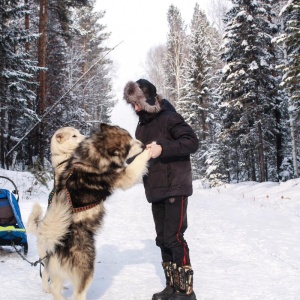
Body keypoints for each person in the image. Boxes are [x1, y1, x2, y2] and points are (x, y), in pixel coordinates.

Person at [123, 79, 199, 300]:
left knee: (174, 238)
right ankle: (171, 287)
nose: (135, 108)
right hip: (155, 189)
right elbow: (141, 156)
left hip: (175, 186)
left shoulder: (169, 117)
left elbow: (191, 142)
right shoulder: (142, 126)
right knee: (162, 239)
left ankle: (186, 292)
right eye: (132, 104)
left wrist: (162, 148)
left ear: (148, 100)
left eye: (138, 103)